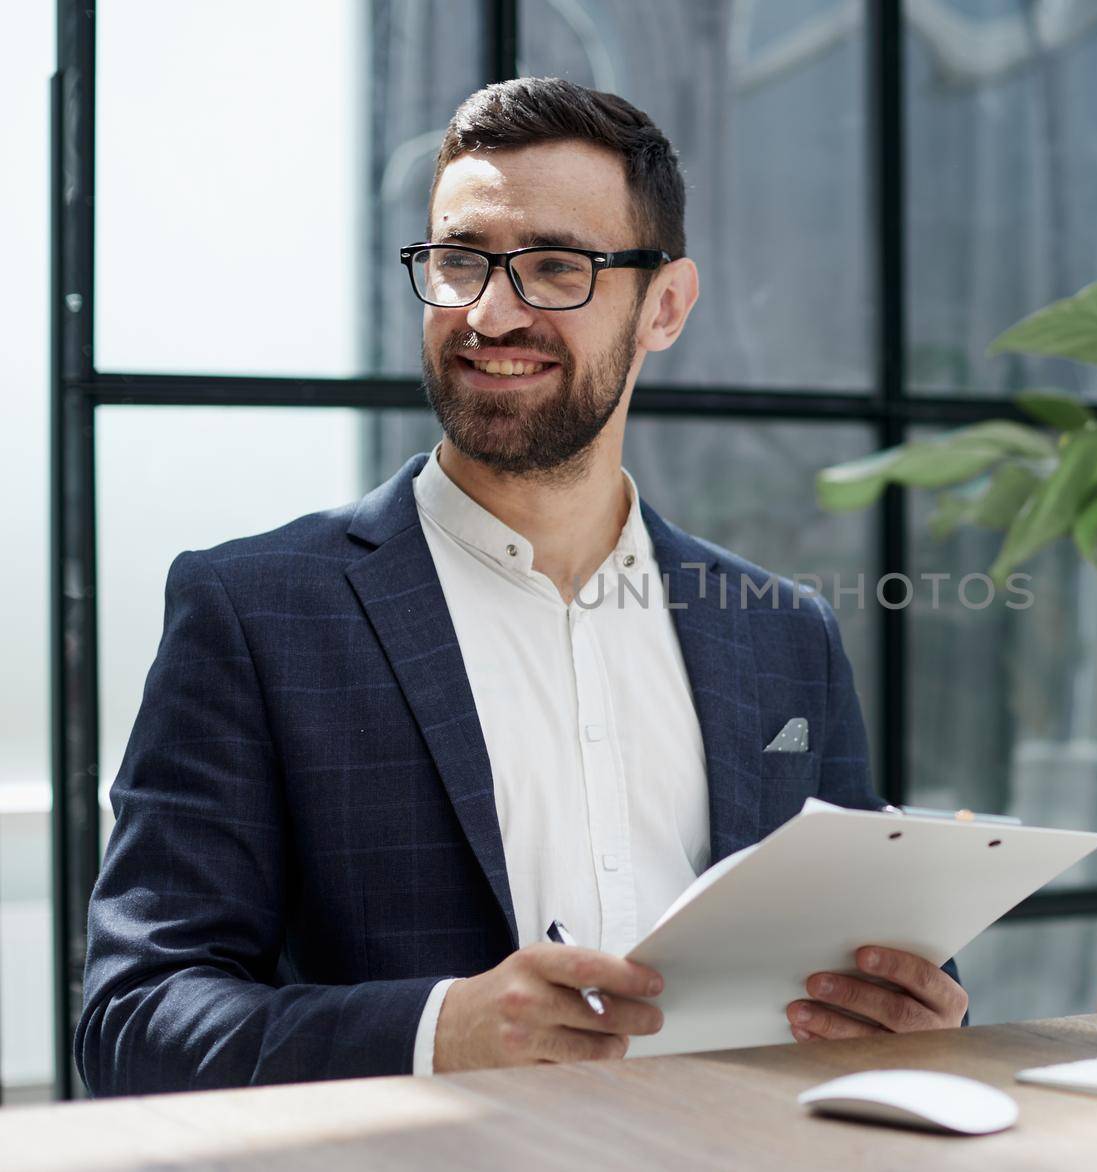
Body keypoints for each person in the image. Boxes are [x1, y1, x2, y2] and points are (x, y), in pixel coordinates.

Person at [75, 77, 966, 1095]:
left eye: (555, 268)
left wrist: (914, 1005)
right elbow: (134, 1021)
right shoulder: (251, 610)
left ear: (663, 306)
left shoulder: (781, 632)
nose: (489, 313)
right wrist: (438, 1029)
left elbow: (855, 963)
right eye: (458, 263)